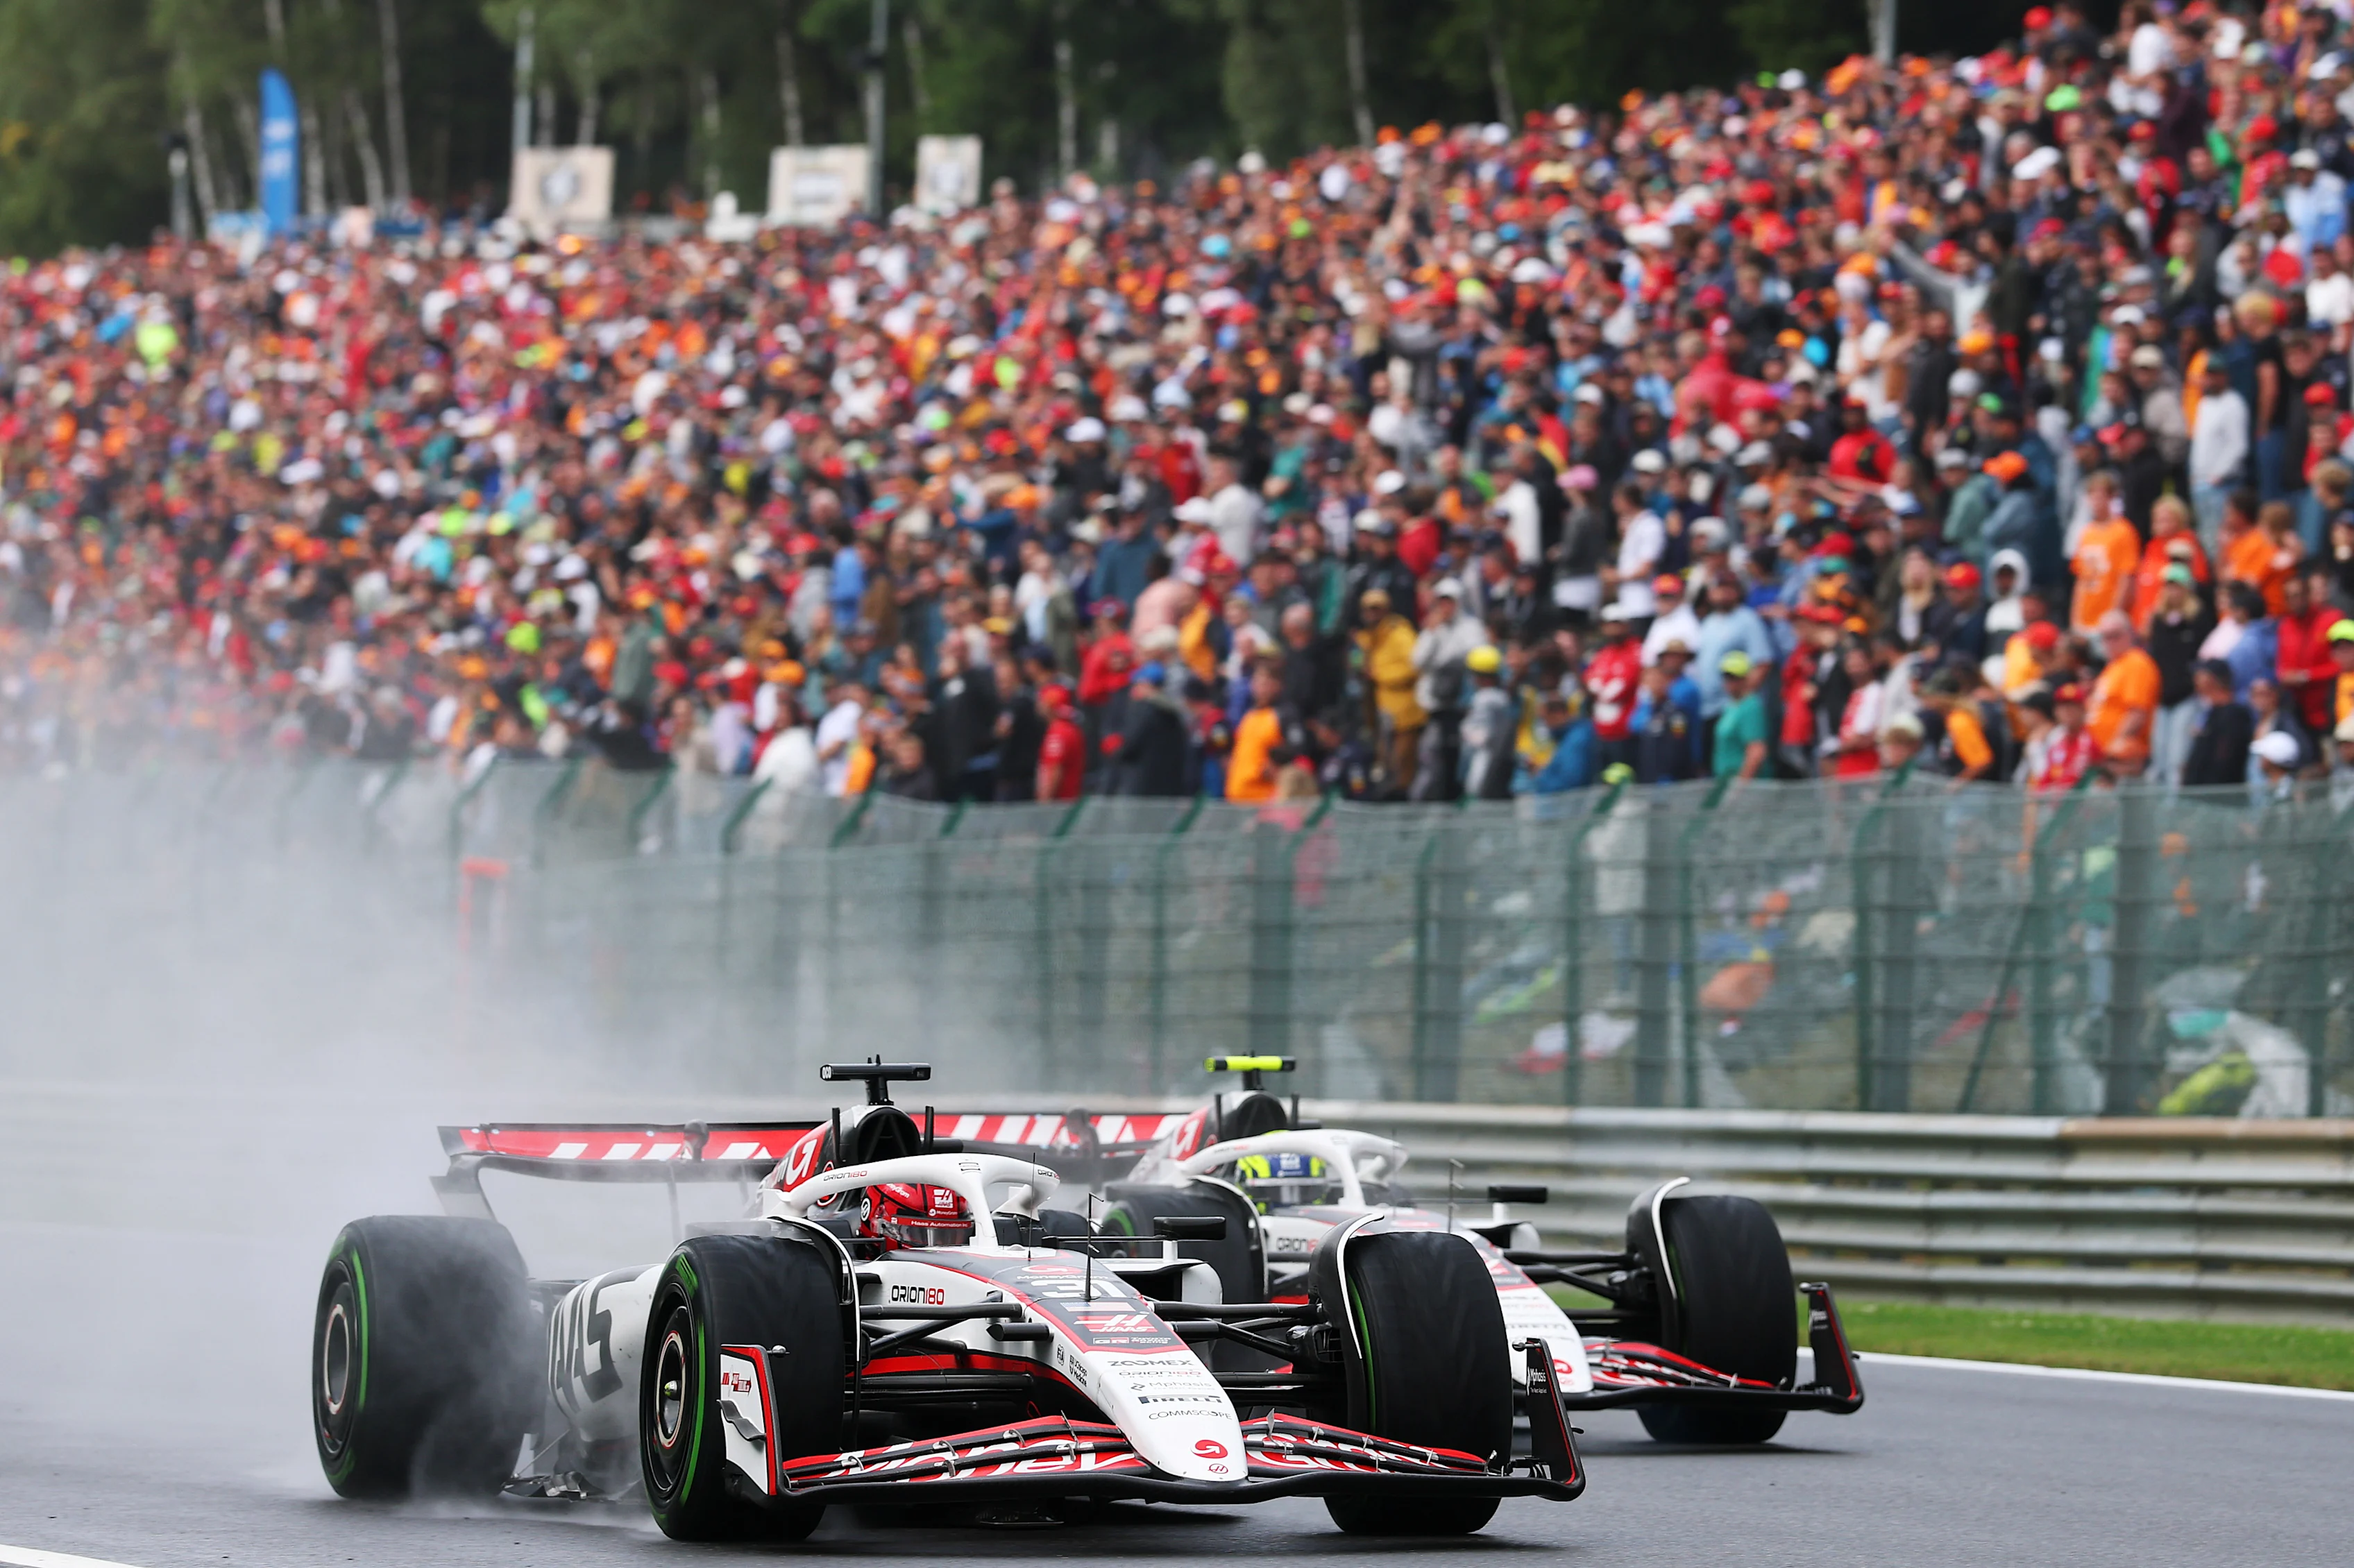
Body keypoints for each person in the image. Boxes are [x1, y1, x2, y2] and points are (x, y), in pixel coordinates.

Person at [1354, 586, 1422, 791]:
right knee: (1386, 764)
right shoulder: (1369, 637)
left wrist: (1380, 675)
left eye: (1376, 609)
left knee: (1403, 766)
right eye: (1368, 609)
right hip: (1382, 713)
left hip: (1404, 713)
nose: (1372, 614)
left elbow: (1415, 666)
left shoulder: (1399, 632)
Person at [2088, 612, 2161, 776]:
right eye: (2105, 637)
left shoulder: (2136, 663)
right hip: (2103, 758)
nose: (2110, 642)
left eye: (2115, 636)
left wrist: (2113, 748)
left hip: (2123, 759)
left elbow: (2137, 712)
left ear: (2130, 634)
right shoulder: (2114, 666)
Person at [1115, 662, 1192, 796]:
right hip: (1170, 785)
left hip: (1142, 784)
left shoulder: (1143, 710)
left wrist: (1117, 754)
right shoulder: (1174, 712)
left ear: (1147, 684)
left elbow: (1131, 746)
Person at [2181, 661, 2254, 789]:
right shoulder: (2210, 713)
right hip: (2198, 797)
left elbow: (2225, 761)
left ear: (2213, 679)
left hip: (2217, 798)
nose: (2196, 679)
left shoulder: (2234, 714)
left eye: (2201, 675)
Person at [1459, 645, 1518, 801]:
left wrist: (1464, 729)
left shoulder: (1485, 699)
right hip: (1495, 760)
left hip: (1485, 760)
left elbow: (1481, 737)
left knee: (1476, 794)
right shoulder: (1502, 697)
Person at [1226, 658, 1288, 803]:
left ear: (1277, 685)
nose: (1260, 687)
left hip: (1264, 798)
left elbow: (1296, 749)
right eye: (1257, 681)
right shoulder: (1249, 715)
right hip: (1238, 796)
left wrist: (1274, 762)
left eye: (1265, 683)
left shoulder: (1283, 714)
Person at [1711, 651, 1770, 781]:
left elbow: (1756, 751)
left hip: (1743, 788)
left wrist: (1741, 785)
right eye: (1726, 677)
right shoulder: (1730, 706)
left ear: (1746, 678)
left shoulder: (1751, 707)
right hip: (1725, 781)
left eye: (1735, 677)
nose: (1730, 682)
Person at [1035, 685, 1085, 802]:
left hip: (1059, 804)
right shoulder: (1070, 729)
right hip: (1069, 801)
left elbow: (1054, 770)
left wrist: (1044, 803)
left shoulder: (1057, 734)